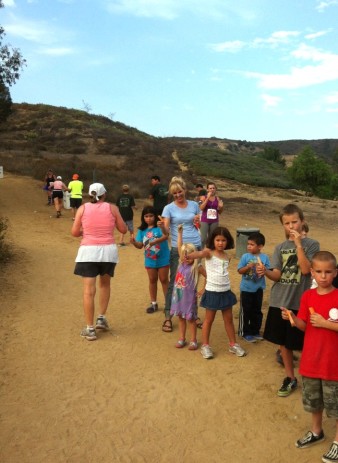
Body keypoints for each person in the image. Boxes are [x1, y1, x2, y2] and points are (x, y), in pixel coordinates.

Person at [281, 251, 338, 463]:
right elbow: (306, 326)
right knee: (314, 402)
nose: (323, 276)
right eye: (319, 272)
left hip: (333, 363)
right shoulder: (308, 297)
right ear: (312, 272)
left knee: (336, 404)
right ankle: (316, 432)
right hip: (312, 360)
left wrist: (326, 324)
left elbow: (323, 325)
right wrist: (294, 318)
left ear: (335, 273)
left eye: (328, 272)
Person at [262, 203, 320, 397]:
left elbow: (305, 270)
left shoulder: (312, 244)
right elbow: (277, 275)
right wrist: (266, 272)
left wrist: (298, 245)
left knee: (304, 344)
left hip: (300, 303)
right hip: (280, 301)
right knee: (283, 343)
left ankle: (310, 379)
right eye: (287, 223)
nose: (291, 226)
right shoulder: (279, 248)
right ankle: (290, 377)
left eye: (295, 222)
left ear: (302, 222)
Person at [71, 183, 127, 341]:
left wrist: (86, 230)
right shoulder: (112, 208)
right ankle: (101, 318)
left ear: (89, 194)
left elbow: (74, 232)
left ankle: (89, 328)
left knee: (88, 291)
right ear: (105, 194)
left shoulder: (82, 208)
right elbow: (122, 229)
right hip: (108, 252)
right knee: (105, 284)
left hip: (88, 252)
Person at [185, 226, 246, 359]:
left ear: (227, 241)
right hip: (212, 291)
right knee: (208, 320)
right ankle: (205, 346)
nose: (220, 243)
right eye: (217, 240)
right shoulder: (209, 252)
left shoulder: (227, 256)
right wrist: (189, 256)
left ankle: (233, 344)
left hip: (225, 292)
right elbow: (199, 254)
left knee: (228, 320)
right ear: (212, 240)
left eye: (223, 240)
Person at [161, 176, 201, 333]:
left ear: (185, 190)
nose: (178, 195)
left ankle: (193, 314)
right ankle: (168, 315)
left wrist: (198, 219)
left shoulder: (194, 205)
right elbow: (166, 231)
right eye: (175, 193)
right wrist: (162, 227)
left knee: (193, 281)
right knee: (175, 282)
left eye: (180, 191)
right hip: (178, 248)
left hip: (195, 246)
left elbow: (199, 223)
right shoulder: (168, 208)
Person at [170, 224, 206, 350]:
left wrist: (203, 289)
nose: (186, 257)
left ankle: (193, 340)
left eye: (189, 255)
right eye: (184, 254)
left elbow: (208, 276)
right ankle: (181, 338)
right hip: (178, 296)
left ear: (194, 255)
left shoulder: (196, 267)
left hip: (190, 297)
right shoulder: (181, 262)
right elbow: (180, 247)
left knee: (191, 319)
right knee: (180, 317)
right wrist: (180, 233)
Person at [131, 205, 170, 314]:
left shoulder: (159, 226)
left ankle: (168, 304)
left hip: (163, 258)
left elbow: (166, 235)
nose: (149, 218)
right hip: (150, 259)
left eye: (151, 216)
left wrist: (154, 241)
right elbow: (140, 245)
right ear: (143, 217)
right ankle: (153, 303)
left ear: (155, 216)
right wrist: (134, 242)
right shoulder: (142, 230)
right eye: (146, 216)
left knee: (164, 279)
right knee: (152, 280)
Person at [237, 232, 270, 342]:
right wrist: (248, 267)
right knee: (246, 311)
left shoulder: (264, 257)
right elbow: (239, 271)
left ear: (260, 246)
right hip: (246, 289)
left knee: (257, 311)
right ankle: (244, 331)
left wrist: (264, 269)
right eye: (248, 244)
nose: (249, 246)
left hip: (258, 288)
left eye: (252, 244)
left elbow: (269, 271)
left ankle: (255, 331)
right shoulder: (245, 256)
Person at [199, 182, 224, 249]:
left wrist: (221, 207)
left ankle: (210, 255)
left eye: (213, 188)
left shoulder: (217, 198)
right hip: (205, 220)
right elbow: (201, 208)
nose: (212, 190)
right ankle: (200, 257)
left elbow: (220, 212)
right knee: (203, 239)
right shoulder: (203, 197)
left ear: (215, 189)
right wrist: (207, 198)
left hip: (214, 221)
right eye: (210, 188)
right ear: (207, 189)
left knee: (212, 239)